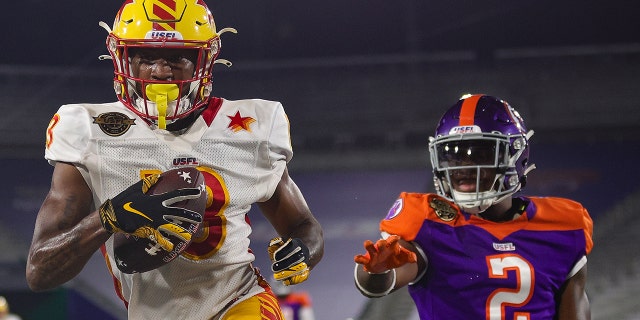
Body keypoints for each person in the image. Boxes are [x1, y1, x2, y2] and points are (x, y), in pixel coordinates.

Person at [26, 1, 324, 319]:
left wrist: (302, 250)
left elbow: (303, 225)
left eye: (178, 57)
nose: (161, 71)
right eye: (146, 57)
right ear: (121, 56)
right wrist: (109, 217)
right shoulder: (88, 129)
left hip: (237, 300)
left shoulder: (250, 126)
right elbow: (40, 272)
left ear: (205, 59)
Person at [353, 94, 593, 319]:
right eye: (454, 155)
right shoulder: (429, 222)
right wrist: (378, 271)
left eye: (479, 154)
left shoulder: (563, 226)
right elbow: (378, 283)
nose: (464, 167)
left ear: (515, 156)